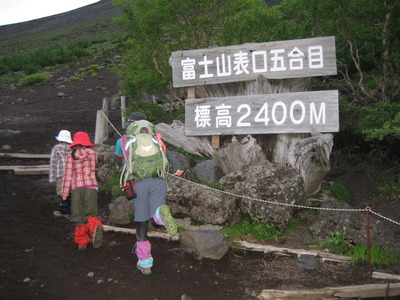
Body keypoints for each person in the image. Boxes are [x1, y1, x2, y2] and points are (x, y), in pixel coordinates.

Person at [115, 112, 184, 275]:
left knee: (141, 223)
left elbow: (118, 161)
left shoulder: (123, 140)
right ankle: (160, 214)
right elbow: (169, 154)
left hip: (137, 183)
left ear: (131, 125)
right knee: (156, 212)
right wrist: (177, 168)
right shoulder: (156, 138)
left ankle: (145, 263)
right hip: (158, 181)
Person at [61, 131, 103, 250]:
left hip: (77, 187)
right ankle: (95, 231)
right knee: (91, 213)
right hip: (91, 186)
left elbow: (68, 175)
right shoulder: (93, 153)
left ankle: (82, 242)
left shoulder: (70, 156)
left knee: (77, 215)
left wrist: (64, 193)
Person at [49, 130, 72, 206]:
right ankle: (69, 204)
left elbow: (53, 163)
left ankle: (64, 206)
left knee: (61, 191)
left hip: (60, 173)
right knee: (69, 189)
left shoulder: (56, 148)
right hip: (70, 173)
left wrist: (52, 178)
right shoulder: (72, 149)